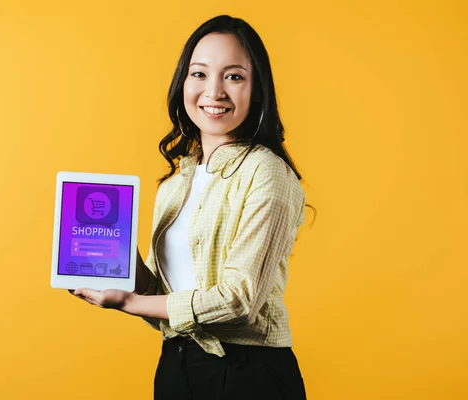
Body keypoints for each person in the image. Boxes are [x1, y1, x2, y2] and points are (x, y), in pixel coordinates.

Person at [71, 14, 313, 400]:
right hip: (177, 366)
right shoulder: (176, 182)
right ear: (183, 83)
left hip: (249, 375)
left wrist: (131, 302)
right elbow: (167, 298)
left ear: (257, 90)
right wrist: (118, 264)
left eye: (233, 76)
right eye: (199, 74)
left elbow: (239, 301)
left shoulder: (267, 173)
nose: (213, 91)